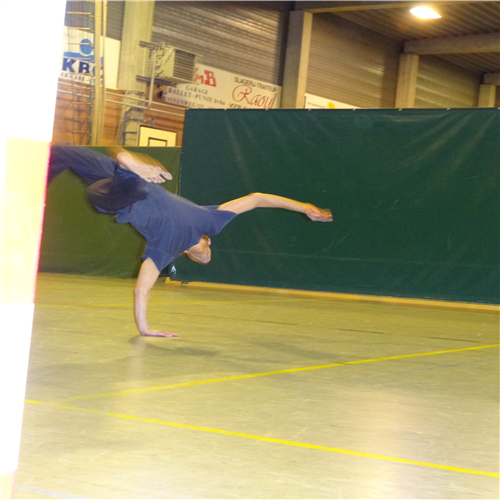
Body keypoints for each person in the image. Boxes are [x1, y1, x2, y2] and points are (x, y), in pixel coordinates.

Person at [48, 145, 333, 338]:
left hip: (115, 197)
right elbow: (257, 199)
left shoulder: (164, 250)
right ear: (208, 241)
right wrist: (303, 207)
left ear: (186, 253)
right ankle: (123, 163)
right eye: (207, 253)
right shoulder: (211, 220)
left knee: (134, 186)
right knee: (60, 151)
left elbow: (141, 290)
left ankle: (128, 164)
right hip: (115, 177)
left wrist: (145, 329)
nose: (204, 258)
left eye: (199, 259)